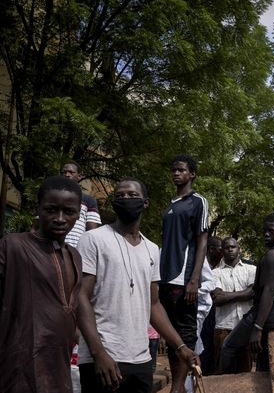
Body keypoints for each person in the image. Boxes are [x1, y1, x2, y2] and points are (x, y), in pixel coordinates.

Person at [76, 178, 198, 393]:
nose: (125, 199)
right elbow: (81, 297)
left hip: (141, 359)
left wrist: (181, 347)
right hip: (104, 358)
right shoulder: (92, 239)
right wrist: (99, 353)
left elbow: (153, 304)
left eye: (132, 195)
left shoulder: (152, 249)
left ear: (145, 203)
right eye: (120, 196)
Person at [0, 177, 83, 392]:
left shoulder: (75, 255)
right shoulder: (13, 246)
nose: (60, 219)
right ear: (38, 208)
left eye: (69, 212)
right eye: (51, 210)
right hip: (19, 368)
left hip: (59, 367)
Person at [220, 213, 274, 373]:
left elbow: (268, 292)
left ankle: (224, 385)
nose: (266, 234)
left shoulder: (273, 255)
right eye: (264, 230)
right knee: (265, 363)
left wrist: (257, 327)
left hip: (267, 315)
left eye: (272, 230)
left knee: (228, 346)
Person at [159, 155, 210, 392]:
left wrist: (194, 279)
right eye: (174, 170)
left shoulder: (197, 201)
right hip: (165, 278)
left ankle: (179, 386)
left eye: (181, 170)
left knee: (186, 333)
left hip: (184, 277)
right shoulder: (170, 205)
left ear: (192, 174)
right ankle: (177, 385)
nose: (176, 173)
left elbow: (202, 241)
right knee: (171, 336)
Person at [211, 237, 256, 373]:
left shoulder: (251, 269)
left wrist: (227, 295)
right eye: (226, 247)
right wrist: (243, 294)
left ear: (239, 249)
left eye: (233, 247)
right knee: (223, 371)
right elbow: (217, 299)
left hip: (245, 328)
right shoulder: (215, 273)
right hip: (224, 327)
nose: (230, 250)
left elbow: (253, 293)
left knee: (245, 372)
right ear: (222, 251)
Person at [61, 161, 102, 247]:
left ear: (79, 176)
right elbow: (37, 227)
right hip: (51, 250)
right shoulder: (51, 198)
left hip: (77, 251)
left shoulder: (88, 200)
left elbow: (92, 233)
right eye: (64, 172)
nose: (67, 175)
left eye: (71, 172)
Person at [199, 236, 223, 375]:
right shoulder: (202, 266)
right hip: (202, 314)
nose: (223, 253)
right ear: (211, 250)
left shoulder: (217, 269)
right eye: (221, 249)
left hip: (214, 315)